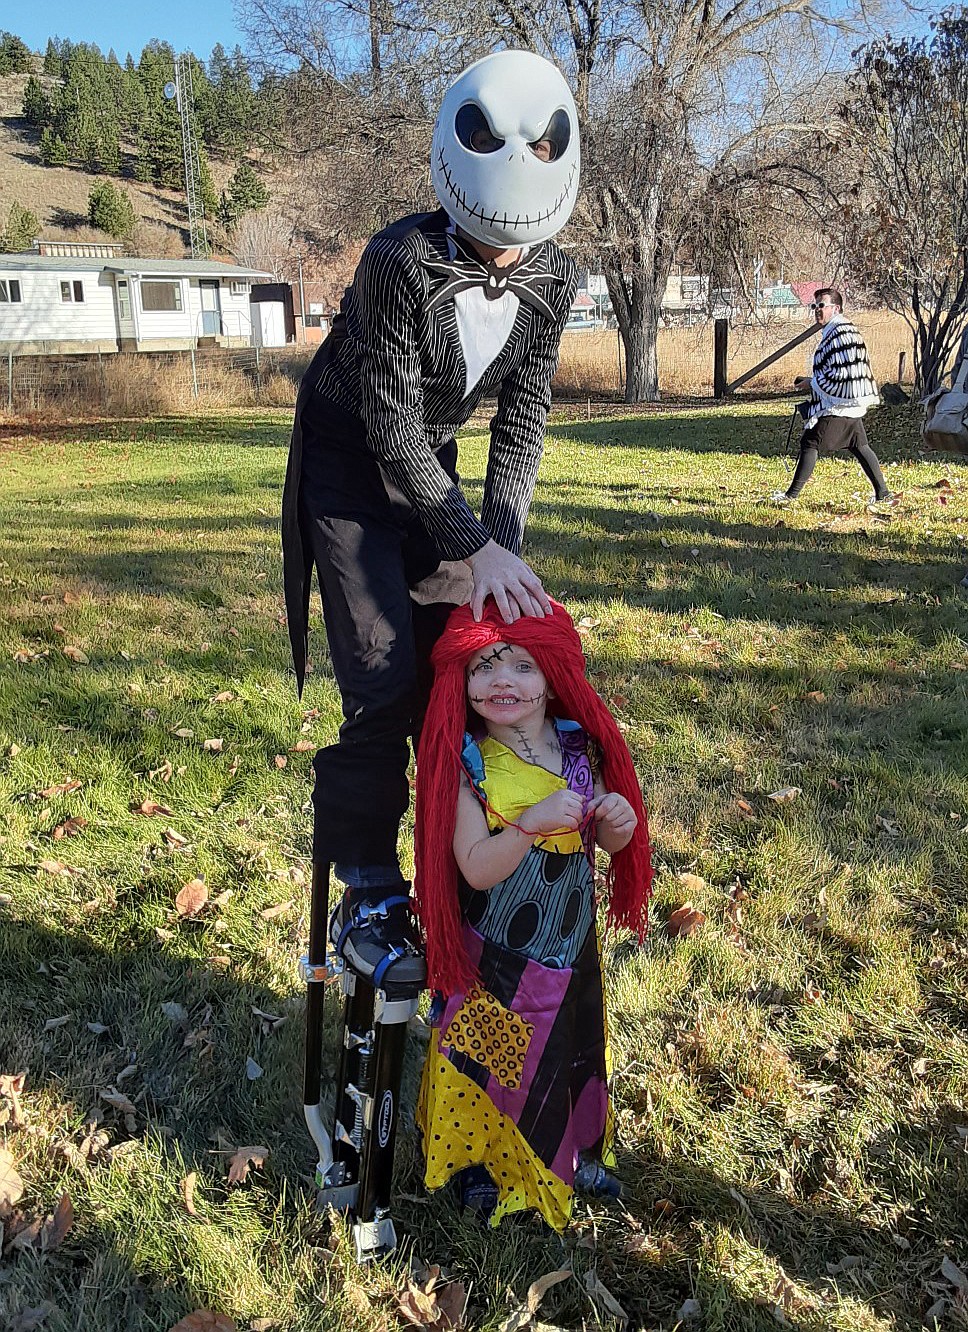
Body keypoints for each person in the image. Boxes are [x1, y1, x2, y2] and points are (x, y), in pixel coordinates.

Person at [281, 51, 581, 988]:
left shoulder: (556, 277)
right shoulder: (400, 261)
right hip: (350, 465)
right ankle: (368, 887)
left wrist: (503, 550)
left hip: (433, 471)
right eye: (490, 244)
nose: (504, 260)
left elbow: (523, 416)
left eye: (517, 247)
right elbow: (390, 427)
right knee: (384, 678)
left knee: (462, 660)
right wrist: (473, 541)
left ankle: (472, 856)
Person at [413, 599, 653, 1229]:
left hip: (568, 947)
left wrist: (618, 824)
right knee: (489, 1061)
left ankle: (572, 1154)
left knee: (568, 1050)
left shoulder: (577, 750)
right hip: (495, 956)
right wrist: (527, 826)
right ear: (463, 683)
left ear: (552, 677)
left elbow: (604, 836)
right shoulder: (469, 766)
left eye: (521, 665)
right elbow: (474, 865)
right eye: (485, 667)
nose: (502, 681)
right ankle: (481, 1166)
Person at [772, 288, 894, 507]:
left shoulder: (840, 333)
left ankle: (790, 496)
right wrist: (813, 380)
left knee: (810, 442)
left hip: (840, 403)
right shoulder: (839, 330)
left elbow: (843, 374)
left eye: (822, 305)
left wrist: (814, 383)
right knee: (860, 446)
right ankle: (883, 494)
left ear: (835, 308)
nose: (817, 310)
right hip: (849, 401)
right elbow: (839, 368)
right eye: (815, 306)